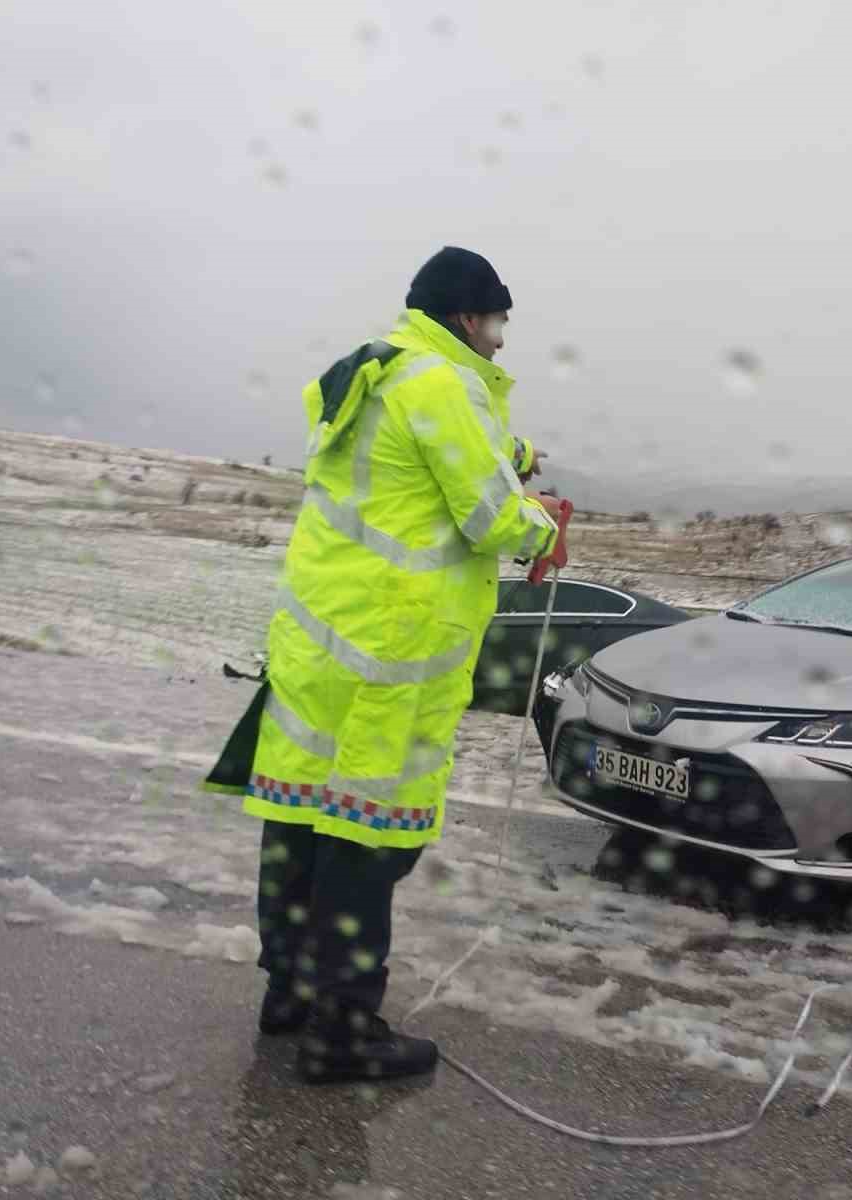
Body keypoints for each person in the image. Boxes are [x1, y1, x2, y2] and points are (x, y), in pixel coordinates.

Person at [216, 246, 567, 1083]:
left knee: (301, 817)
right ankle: (343, 1029)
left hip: (319, 644)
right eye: (496, 323)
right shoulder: (445, 385)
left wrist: (510, 459)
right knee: (365, 835)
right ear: (464, 318)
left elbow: (414, 469)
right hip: (393, 654)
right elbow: (488, 520)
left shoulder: (368, 376)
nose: (501, 342)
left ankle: (291, 995)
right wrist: (544, 528)